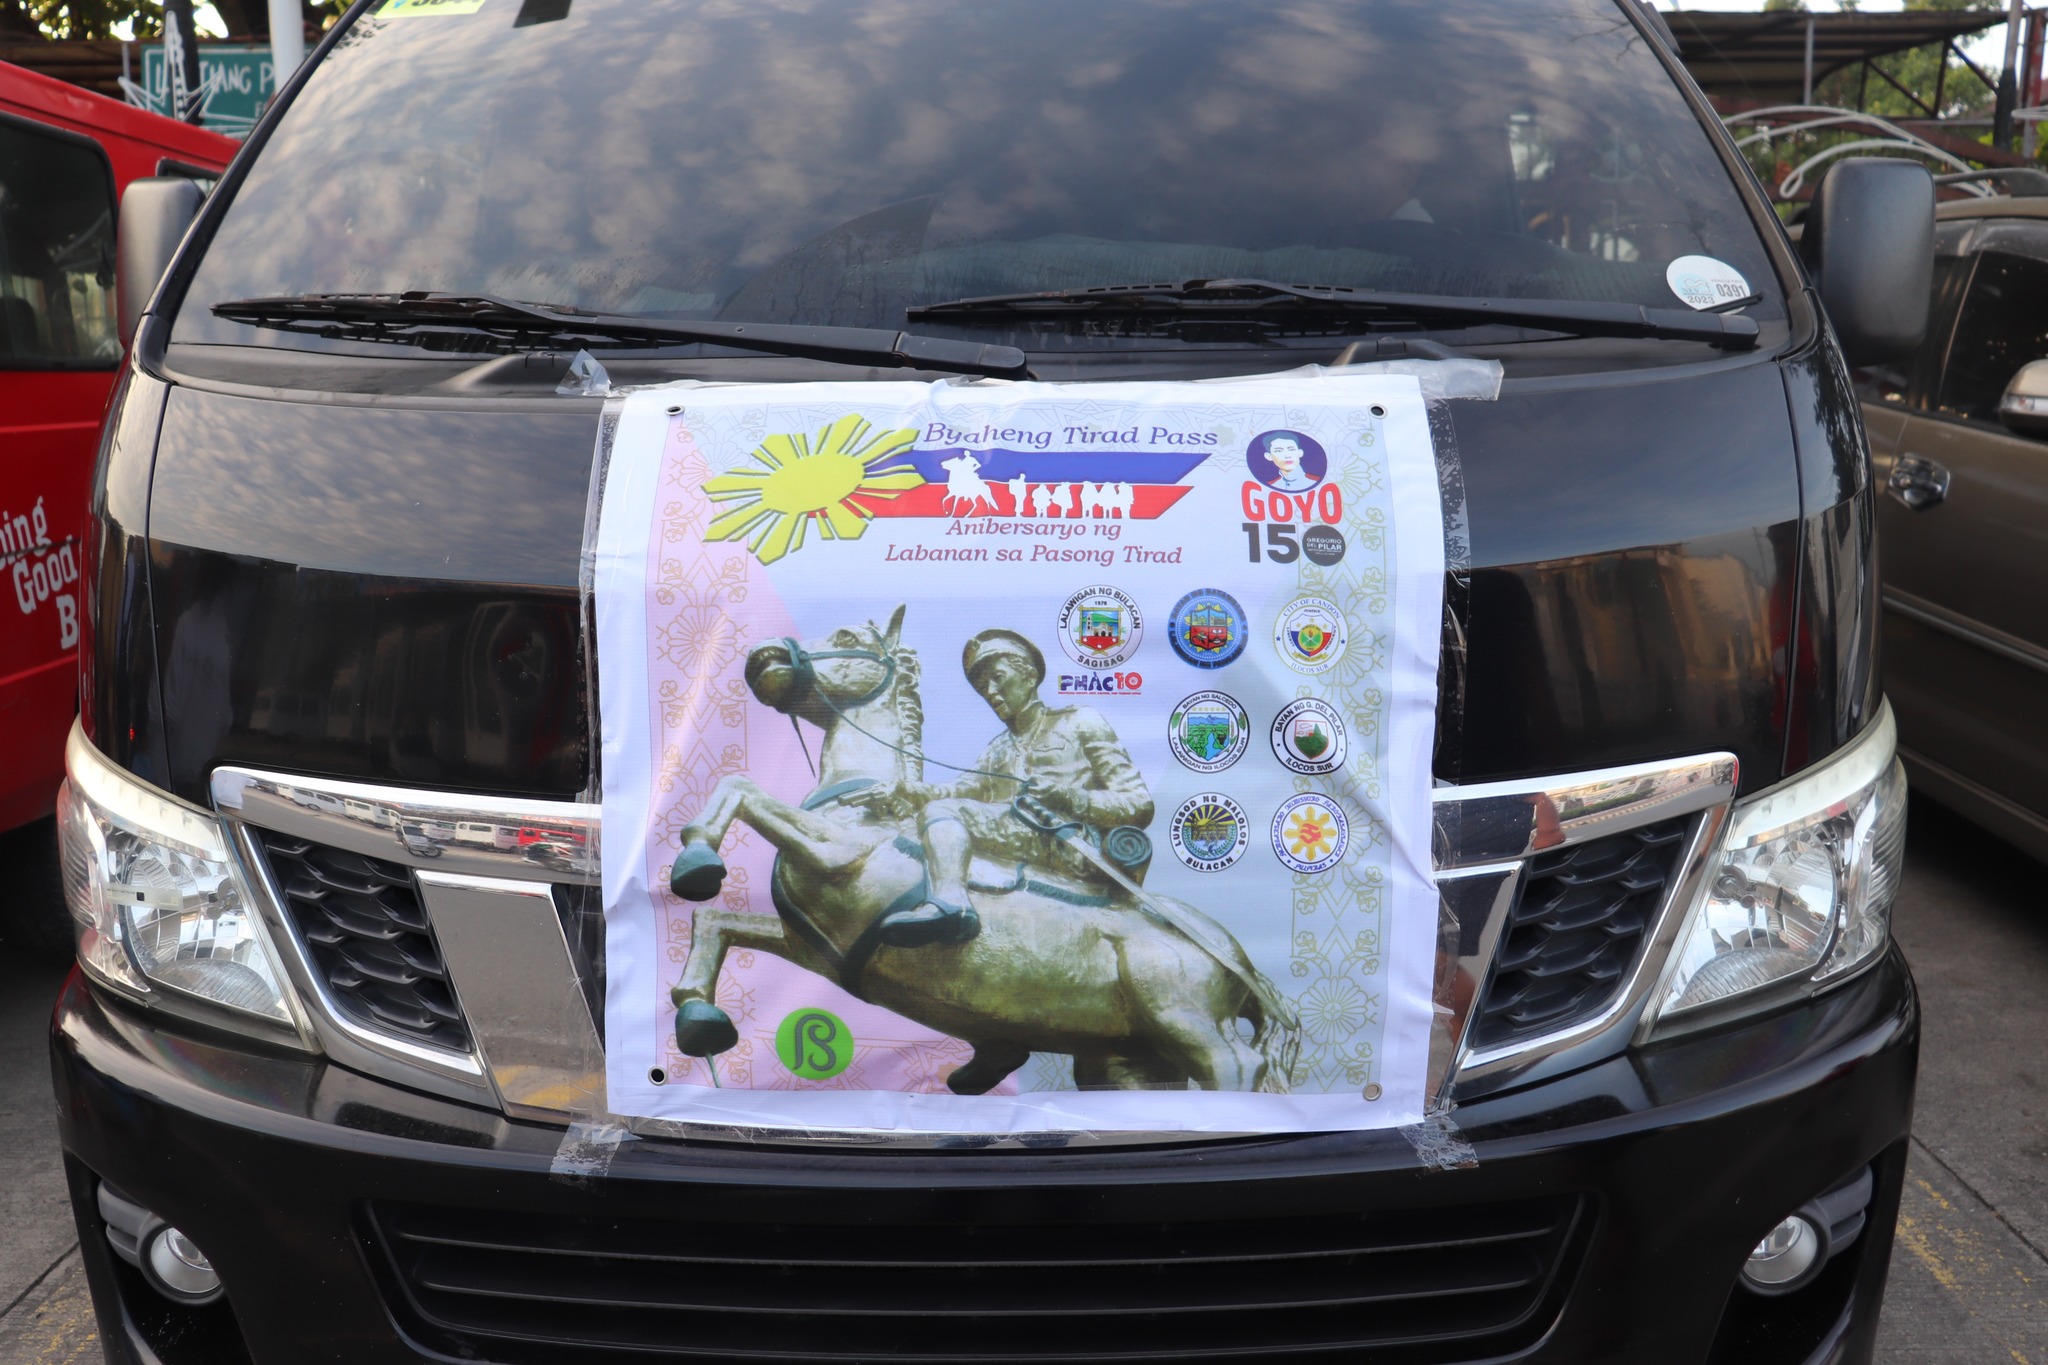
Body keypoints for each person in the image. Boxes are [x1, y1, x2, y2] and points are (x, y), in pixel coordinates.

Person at [849, 629, 1154, 946]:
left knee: (943, 812)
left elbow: (1138, 803)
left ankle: (951, 903)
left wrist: (1068, 797)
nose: (991, 692)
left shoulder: (1080, 721)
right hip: (1017, 837)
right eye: (983, 687)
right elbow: (956, 790)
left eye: (998, 678)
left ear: (1029, 676)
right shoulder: (996, 751)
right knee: (928, 821)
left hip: (1071, 843)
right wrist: (905, 790)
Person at [1257, 433, 1321, 492]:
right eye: (1279, 451)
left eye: (1291, 450)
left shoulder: (1317, 482)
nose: (1287, 455)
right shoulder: (1270, 486)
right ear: (1269, 456)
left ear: (1300, 453)